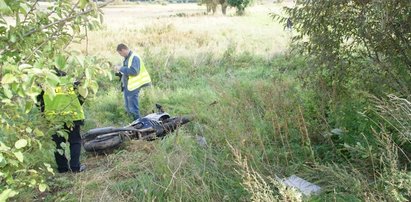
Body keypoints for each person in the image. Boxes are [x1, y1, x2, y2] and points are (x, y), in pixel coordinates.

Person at [37, 68, 86, 173]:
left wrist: (44, 115)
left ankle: (62, 168)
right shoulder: (72, 82)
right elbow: (82, 97)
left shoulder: (44, 84)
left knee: (58, 144)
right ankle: (75, 167)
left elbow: (39, 102)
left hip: (53, 119)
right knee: (75, 142)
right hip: (73, 117)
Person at [116, 43, 152, 120]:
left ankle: (139, 124)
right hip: (128, 86)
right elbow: (127, 70)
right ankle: (132, 123)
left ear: (123, 50)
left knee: (133, 108)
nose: (120, 55)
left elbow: (134, 71)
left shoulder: (134, 57)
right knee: (128, 106)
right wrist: (120, 72)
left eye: (120, 53)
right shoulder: (127, 57)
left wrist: (121, 68)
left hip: (134, 85)